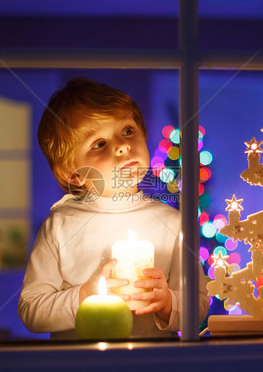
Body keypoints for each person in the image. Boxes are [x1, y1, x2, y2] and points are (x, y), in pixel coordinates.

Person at [18, 78, 209, 339]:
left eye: (128, 131)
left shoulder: (171, 223)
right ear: (74, 175)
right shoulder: (60, 225)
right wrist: (85, 295)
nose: (122, 145)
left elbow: (198, 306)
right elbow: (31, 309)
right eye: (99, 144)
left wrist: (166, 303)